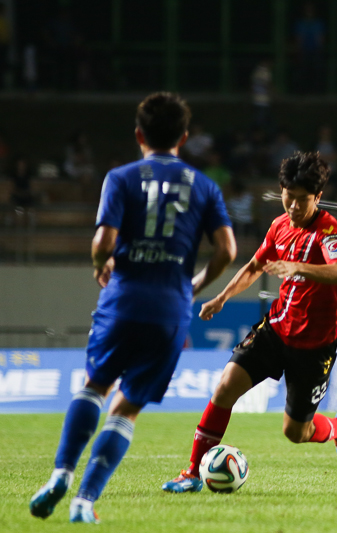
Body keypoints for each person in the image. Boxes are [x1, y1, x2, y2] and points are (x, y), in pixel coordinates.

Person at [29, 92, 237, 523]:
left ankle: (61, 474)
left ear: (139, 135)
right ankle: (84, 502)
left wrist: (100, 264)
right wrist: (196, 284)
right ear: (183, 138)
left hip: (122, 300)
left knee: (95, 387)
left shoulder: (120, 178)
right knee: (126, 408)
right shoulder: (205, 186)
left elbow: (103, 242)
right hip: (170, 309)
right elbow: (227, 251)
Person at [162, 151, 337, 494]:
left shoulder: (327, 230)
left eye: (303, 199)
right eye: (288, 196)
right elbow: (254, 266)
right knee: (225, 387)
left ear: (318, 197)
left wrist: (296, 267)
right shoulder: (279, 226)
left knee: (296, 432)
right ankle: (191, 472)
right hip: (276, 330)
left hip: (314, 347)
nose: (293, 206)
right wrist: (222, 297)